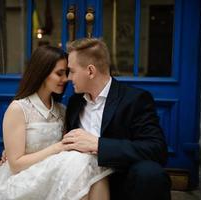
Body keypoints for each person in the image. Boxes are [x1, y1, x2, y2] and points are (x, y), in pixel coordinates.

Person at [0, 45, 113, 200]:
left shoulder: (62, 110)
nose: (66, 79)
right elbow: (15, 165)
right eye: (59, 73)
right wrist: (58, 147)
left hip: (51, 174)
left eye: (67, 73)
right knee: (82, 163)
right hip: (23, 179)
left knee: (91, 161)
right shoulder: (18, 109)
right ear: (42, 72)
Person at [62, 38, 172, 200]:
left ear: (90, 71)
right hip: (80, 179)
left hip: (120, 180)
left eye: (71, 71)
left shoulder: (135, 99)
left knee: (151, 173)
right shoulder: (75, 102)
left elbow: (156, 149)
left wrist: (98, 145)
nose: (68, 78)